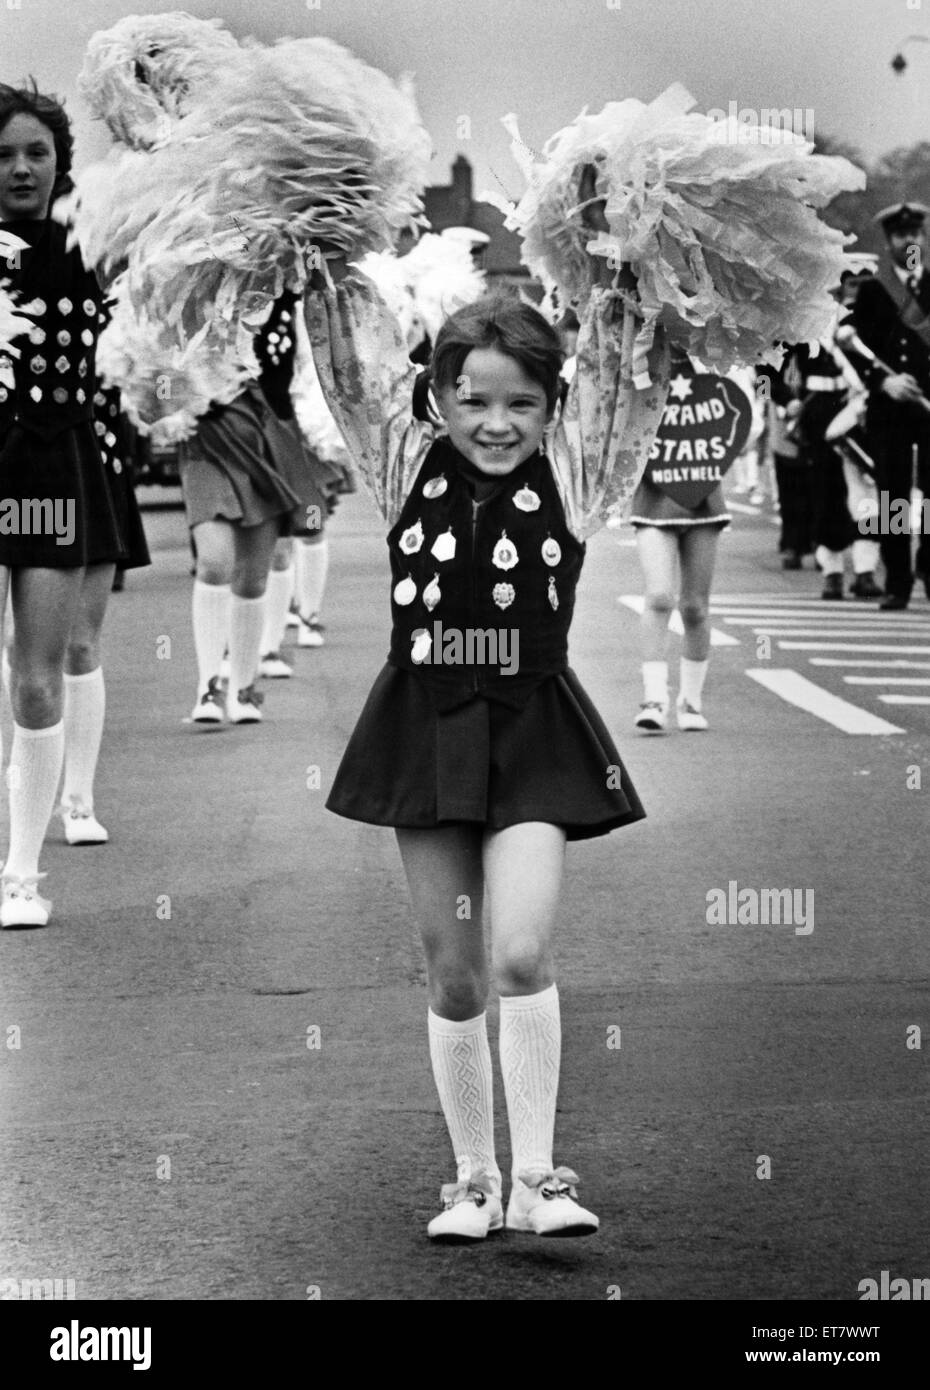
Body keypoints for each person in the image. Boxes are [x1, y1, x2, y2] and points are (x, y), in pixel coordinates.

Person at [305, 169, 669, 1241]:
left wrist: (633, 250)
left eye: (521, 403)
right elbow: (342, 361)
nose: (496, 422)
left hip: (533, 728)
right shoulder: (396, 459)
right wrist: (314, 254)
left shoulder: (576, 466)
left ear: (554, 411)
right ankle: (471, 1177)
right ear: (435, 401)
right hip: (422, 728)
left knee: (518, 953)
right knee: (455, 972)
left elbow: (628, 359)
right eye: (474, 400)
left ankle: (540, 1177)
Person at [0, 81, 123, 925]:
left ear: (60, 163)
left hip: (49, 470)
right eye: (3, 155)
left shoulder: (93, 244)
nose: (20, 169)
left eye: (36, 152)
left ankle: (21, 873)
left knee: (39, 677)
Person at [628, 353, 731, 733]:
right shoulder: (638, 360)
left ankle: (691, 700)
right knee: (658, 596)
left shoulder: (717, 361)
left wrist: (706, 360)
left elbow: (740, 419)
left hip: (703, 491)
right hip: (654, 494)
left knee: (694, 607)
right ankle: (654, 698)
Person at [845, 202, 930, 609]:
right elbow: (857, 351)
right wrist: (886, 381)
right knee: (893, 498)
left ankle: (929, 569)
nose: (910, 241)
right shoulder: (874, 291)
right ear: (890, 242)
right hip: (889, 410)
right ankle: (898, 579)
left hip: (928, 409)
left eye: (916, 234)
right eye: (902, 236)